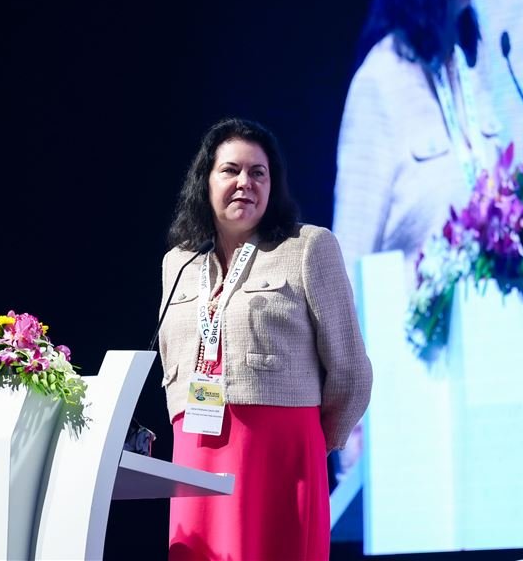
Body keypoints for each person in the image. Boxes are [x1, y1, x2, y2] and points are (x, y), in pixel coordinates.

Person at [330, 0, 503, 482]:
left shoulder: (473, 82)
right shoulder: (381, 86)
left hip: (490, 416)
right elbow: (339, 281)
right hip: (412, 441)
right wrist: (351, 438)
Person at [158, 116, 373, 561]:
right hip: (195, 448)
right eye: (231, 170)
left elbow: (351, 371)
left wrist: (311, 444)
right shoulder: (176, 263)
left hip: (280, 457)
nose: (245, 182)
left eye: (258, 173)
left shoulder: (308, 247)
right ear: (205, 181)